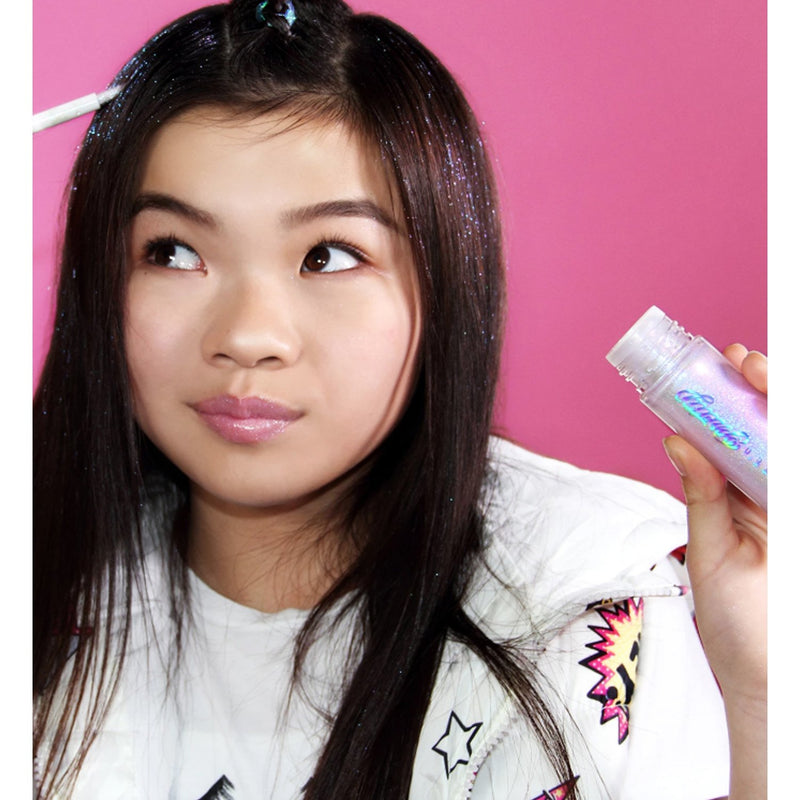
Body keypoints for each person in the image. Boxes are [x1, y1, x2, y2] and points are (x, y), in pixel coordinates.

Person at [33, 0, 767, 798]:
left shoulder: (584, 604)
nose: (247, 337)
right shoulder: (42, 573)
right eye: (174, 252)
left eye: (328, 255)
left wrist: (765, 702)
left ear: (446, 286)